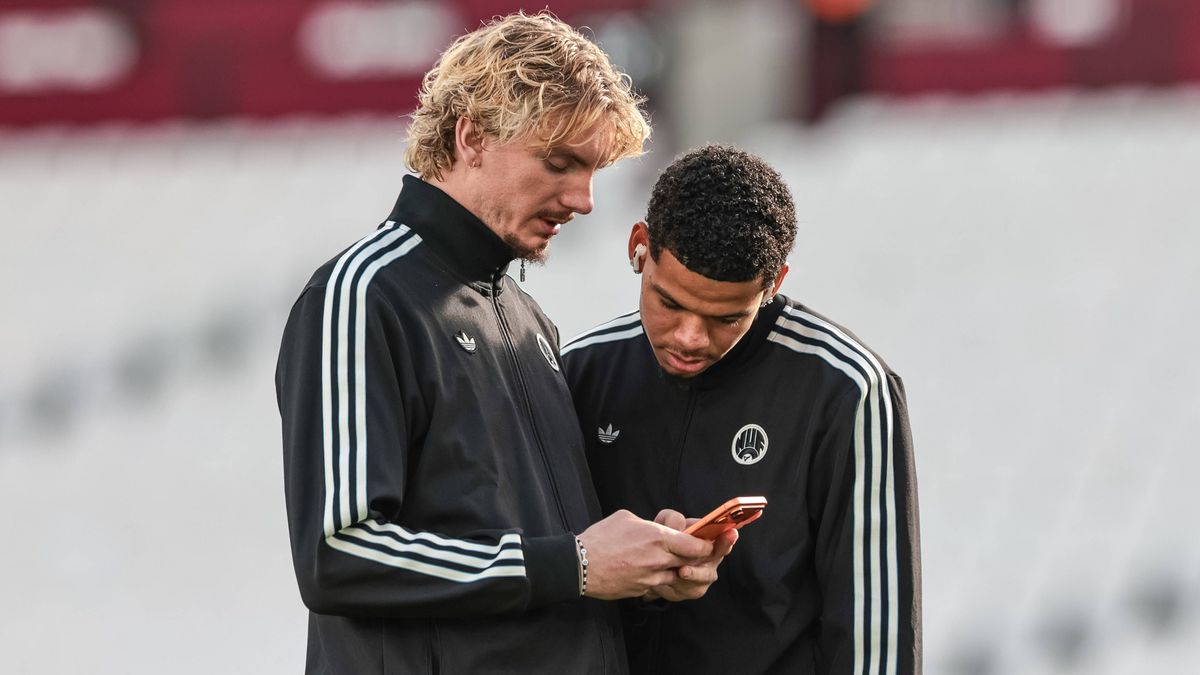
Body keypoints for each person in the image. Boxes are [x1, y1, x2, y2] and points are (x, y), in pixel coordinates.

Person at [276, 14, 734, 675]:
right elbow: (338, 553)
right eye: (560, 162)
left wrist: (642, 565)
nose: (583, 199)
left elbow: (542, 568)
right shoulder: (362, 295)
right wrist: (577, 563)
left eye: (593, 170)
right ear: (472, 137)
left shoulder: (528, 319)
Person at [562, 145, 922, 674]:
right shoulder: (579, 370)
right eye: (669, 303)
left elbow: (877, 641)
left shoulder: (847, 388)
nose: (690, 338)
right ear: (639, 246)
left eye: (725, 318)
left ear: (774, 284)